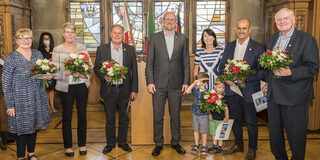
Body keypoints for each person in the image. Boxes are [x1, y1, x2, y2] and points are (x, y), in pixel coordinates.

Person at [262, 8, 319, 160]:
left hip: (295, 97)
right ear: (275, 23)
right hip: (274, 95)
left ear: (294, 20)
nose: (282, 21)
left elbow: (313, 68)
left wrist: (291, 72)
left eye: (285, 18)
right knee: (275, 137)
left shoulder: (306, 39)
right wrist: (268, 82)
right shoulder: (274, 38)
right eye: (279, 19)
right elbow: (270, 64)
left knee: (296, 137)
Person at [218, 18, 266, 160]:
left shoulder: (259, 47)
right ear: (235, 29)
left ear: (249, 30)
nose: (241, 31)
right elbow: (221, 67)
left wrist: (246, 78)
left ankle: (252, 149)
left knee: (251, 121)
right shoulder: (229, 46)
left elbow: (263, 71)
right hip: (231, 90)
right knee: (235, 119)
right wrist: (224, 77)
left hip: (249, 90)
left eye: (244, 28)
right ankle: (238, 144)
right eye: (239, 28)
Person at [2, 28, 51, 160]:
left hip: (37, 96)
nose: (26, 41)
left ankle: (31, 153)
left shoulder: (37, 55)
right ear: (17, 41)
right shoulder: (11, 58)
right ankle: (20, 156)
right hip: (19, 100)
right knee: (22, 128)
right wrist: (9, 105)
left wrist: (48, 77)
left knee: (34, 125)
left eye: (29, 38)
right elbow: (5, 83)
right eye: (22, 38)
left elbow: (43, 74)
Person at [146, 11, 190, 156]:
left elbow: (185, 62)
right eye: (167, 19)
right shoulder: (154, 38)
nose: (169, 21)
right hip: (158, 84)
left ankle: (175, 142)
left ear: (176, 22)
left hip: (176, 84)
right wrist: (150, 81)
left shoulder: (183, 38)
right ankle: (158, 143)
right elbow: (150, 62)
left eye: (172, 19)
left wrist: (185, 82)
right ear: (162, 21)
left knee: (175, 115)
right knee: (158, 116)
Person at [94, 25, 138, 154]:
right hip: (109, 90)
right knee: (110, 118)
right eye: (115, 33)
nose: (117, 35)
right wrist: (104, 76)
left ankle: (123, 142)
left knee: (124, 118)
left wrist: (134, 90)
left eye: (119, 33)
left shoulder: (129, 49)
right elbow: (96, 68)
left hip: (125, 90)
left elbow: (134, 71)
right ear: (110, 34)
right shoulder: (102, 49)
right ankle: (110, 143)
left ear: (123, 34)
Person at [52, 22, 92, 157]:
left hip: (81, 85)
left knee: (82, 116)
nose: (70, 34)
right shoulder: (57, 49)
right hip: (65, 86)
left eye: (72, 32)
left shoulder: (82, 47)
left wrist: (83, 73)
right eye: (67, 32)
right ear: (63, 34)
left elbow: (89, 66)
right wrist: (67, 73)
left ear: (75, 34)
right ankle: (68, 146)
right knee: (67, 116)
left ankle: (82, 144)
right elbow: (53, 72)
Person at [185, 72, 210, 155]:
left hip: (204, 114)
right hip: (195, 113)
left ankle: (204, 145)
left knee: (203, 131)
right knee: (195, 130)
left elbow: (209, 102)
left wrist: (201, 85)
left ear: (205, 83)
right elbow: (187, 91)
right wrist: (194, 83)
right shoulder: (195, 89)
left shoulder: (206, 91)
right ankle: (196, 144)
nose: (197, 84)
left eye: (199, 82)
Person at [208, 77, 229, 155]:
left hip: (221, 119)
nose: (222, 89)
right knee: (213, 133)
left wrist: (226, 116)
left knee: (220, 133)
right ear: (215, 87)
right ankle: (215, 145)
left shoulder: (224, 98)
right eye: (220, 87)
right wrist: (209, 114)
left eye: (223, 87)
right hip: (213, 118)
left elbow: (226, 108)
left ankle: (220, 146)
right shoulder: (212, 96)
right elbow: (209, 106)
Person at [38, 32, 57, 114]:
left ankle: (52, 106)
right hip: (44, 73)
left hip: (53, 72)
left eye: (48, 38)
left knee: (52, 90)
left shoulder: (54, 49)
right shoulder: (39, 50)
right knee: (46, 90)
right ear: (42, 40)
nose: (46, 40)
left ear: (50, 39)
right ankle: (48, 107)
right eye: (44, 39)